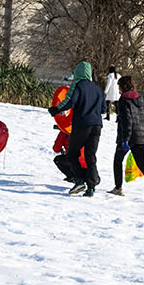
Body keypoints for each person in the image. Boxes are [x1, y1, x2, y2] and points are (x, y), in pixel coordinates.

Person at [48, 61, 105, 196]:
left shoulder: (78, 85)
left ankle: (79, 181)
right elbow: (104, 109)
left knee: (73, 154)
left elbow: (70, 101)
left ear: (78, 72)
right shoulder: (98, 89)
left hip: (81, 125)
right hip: (97, 126)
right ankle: (91, 188)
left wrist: (56, 109)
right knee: (90, 156)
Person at [110, 74, 144, 199]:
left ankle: (118, 188)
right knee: (142, 162)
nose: (118, 89)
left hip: (128, 136)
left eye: (119, 86)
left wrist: (125, 139)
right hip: (141, 135)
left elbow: (127, 121)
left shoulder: (123, 101)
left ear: (123, 86)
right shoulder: (140, 99)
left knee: (118, 161)